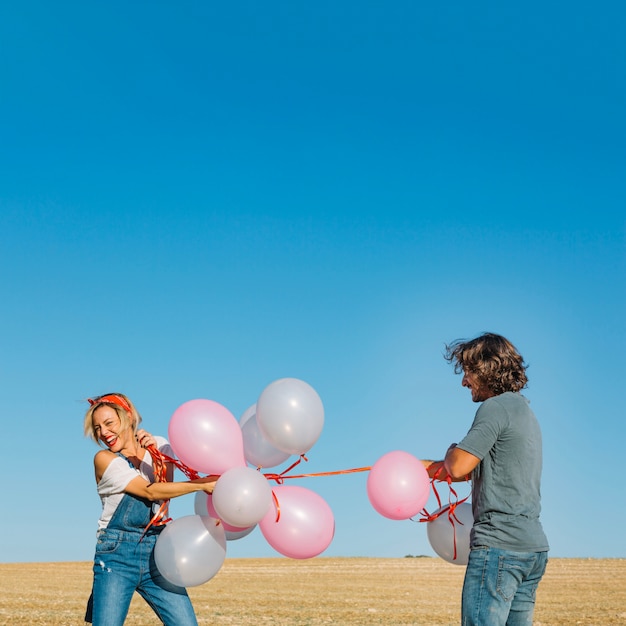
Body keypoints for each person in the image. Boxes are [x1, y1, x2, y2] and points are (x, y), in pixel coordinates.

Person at [422, 333, 549, 626]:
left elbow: (457, 466)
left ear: (487, 369)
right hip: (531, 549)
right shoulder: (524, 412)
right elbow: (464, 471)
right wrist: (414, 468)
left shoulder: (495, 408)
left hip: (498, 549)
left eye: (468, 372)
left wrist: (452, 450)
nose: (464, 381)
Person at [83, 392, 218, 626]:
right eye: (97, 428)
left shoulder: (161, 445)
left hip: (159, 552)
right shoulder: (104, 460)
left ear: (128, 416)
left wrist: (156, 455)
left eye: (109, 423)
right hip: (117, 555)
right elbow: (150, 491)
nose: (103, 433)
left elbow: (165, 490)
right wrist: (202, 484)